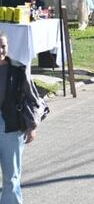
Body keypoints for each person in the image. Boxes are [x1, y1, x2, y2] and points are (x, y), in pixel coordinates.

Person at [0, 31, 43, 204]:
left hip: (11, 126)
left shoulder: (18, 69)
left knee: (11, 178)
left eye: (3, 46)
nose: (1, 50)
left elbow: (32, 98)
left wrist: (32, 126)